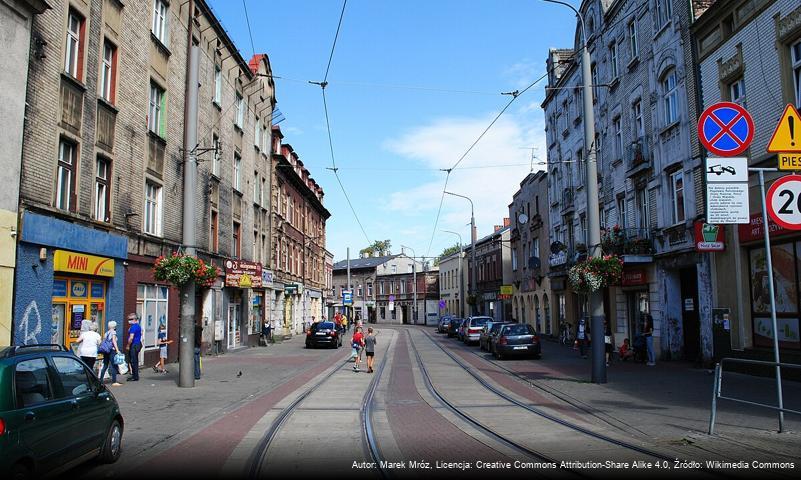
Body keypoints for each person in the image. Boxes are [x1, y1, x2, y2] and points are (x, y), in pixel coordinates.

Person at [99, 321, 122, 386]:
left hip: (106, 351)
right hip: (112, 350)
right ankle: (114, 381)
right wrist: (117, 350)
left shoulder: (106, 333)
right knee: (114, 365)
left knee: (105, 365)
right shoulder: (113, 332)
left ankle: (100, 380)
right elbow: (114, 341)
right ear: (114, 326)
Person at [126, 313, 143, 381]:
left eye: (130, 319)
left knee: (133, 361)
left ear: (134, 319)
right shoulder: (138, 326)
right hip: (138, 344)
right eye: (128, 319)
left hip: (134, 345)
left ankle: (135, 377)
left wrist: (128, 345)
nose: (129, 321)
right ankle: (135, 375)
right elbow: (141, 333)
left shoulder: (133, 327)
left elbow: (131, 338)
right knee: (135, 360)